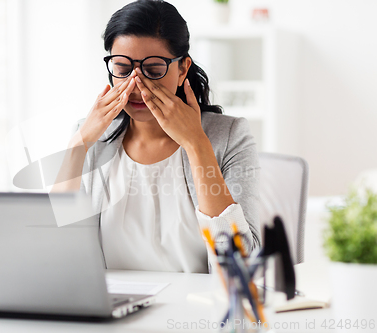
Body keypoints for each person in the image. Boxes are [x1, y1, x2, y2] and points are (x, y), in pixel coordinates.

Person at [51, 0, 260, 273]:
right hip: (114, 307)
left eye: (153, 70)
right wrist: (79, 144)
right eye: (123, 70)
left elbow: (243, 264)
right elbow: (57, 247)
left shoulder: (231, 137)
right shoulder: (91, 136)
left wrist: (197, 144)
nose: (137, 85)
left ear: (183, 68)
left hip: (196, 310)